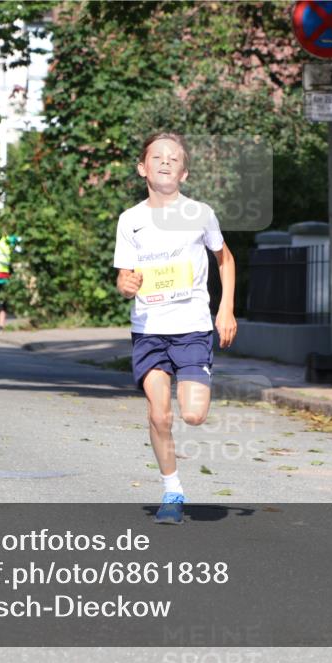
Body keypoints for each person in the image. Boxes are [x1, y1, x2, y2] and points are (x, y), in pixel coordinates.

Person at [113, 132, 237, 524]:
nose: (165, 162)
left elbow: (226, 260)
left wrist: (226, 309)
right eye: (157, 157)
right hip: (148, 329)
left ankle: (175, 479)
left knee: (194, 414)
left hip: (192, 328)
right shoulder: (130, 220)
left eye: (173, 159)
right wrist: (125, 284)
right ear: (142, 168)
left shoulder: (200, 214)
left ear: (184, 173)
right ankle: (172, 490)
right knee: (159, 415)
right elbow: (124, 276)